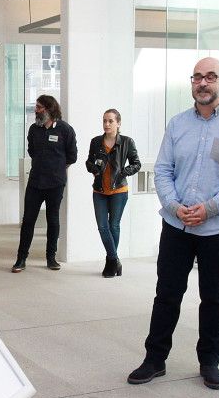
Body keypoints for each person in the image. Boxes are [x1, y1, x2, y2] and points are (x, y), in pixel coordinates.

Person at [127, 57, 219, 391]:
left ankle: (209, 361)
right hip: (177, 225)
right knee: (167, 294)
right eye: (197, 77)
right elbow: (164, 170)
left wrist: (210, 208)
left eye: (210, 77)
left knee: (213, 296)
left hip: (218, 227)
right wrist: (173, 205)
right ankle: (154, 359)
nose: (203, 83)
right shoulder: (178, 123)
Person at [13, 94, 77, 272]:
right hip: (35, 182)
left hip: (56, 183)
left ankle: (51, 258)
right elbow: (32, 150)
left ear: (49, 109)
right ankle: (21, 258)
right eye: (36, 107)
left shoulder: (65, 129)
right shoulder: (34, 129)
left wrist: (56, 168)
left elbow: (72, 156)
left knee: (53, 219)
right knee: (28, 220)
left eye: (39, 107)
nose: (36, 110)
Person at [85, 108, 141, 278]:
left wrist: (124, 172)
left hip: (119, 190)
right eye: (104, 121)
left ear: (118, 123)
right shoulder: (96, 141)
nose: (106, 124)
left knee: (113, 225)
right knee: (103, 226)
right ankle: (114, 260)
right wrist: (93, 168)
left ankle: (110, 262)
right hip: (100, 190)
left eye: (110, 121)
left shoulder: (126, 142)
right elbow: (88, 162)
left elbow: (136, 163)